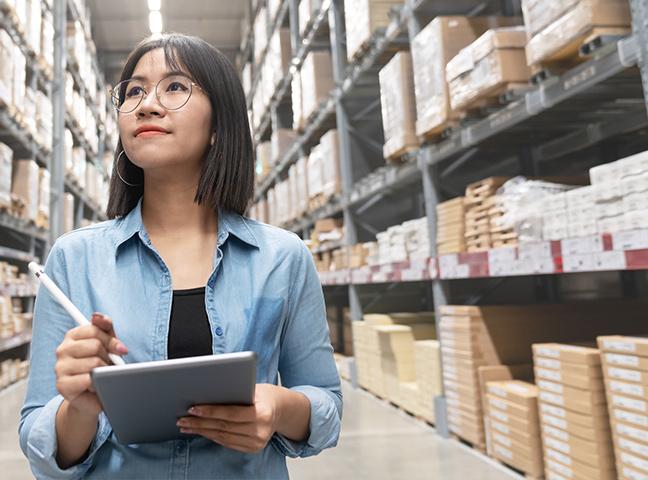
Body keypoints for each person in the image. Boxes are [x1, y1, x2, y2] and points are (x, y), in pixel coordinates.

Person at [19, 33, 342, 479]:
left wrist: (280, 407)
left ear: (218, 125)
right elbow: (40, 441)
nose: (147, 105)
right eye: (133, 91)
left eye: (175, 87)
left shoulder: (282, 258)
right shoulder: (74, 259)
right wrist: (80, 407)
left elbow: (325, 403)